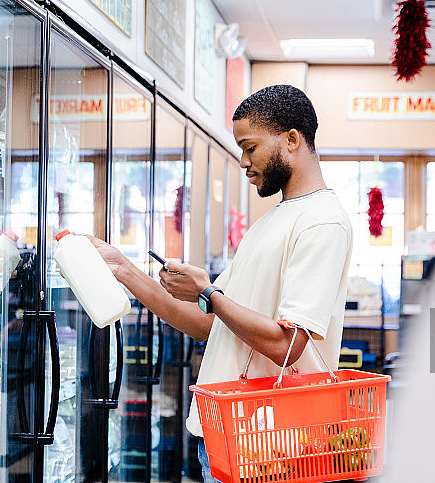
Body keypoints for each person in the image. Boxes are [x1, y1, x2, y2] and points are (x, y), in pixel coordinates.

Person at [88, 84, 353, 482]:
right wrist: (123, 269)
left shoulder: (322, 222)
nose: (244, 162)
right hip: (227, 436)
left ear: (292, 140)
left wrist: (209, 292)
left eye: (250, 147)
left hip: (272, 447)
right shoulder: (271, 221)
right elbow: (206, 322)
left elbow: (289, 345)